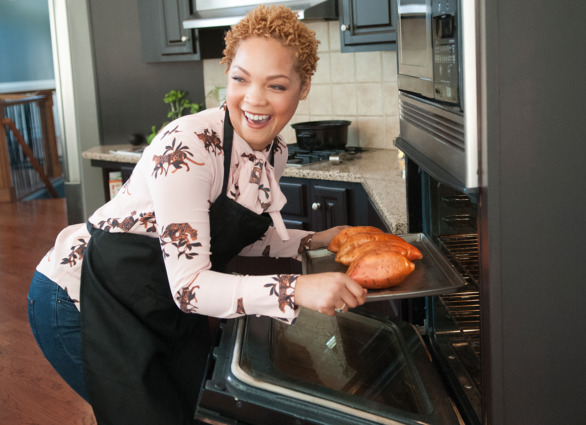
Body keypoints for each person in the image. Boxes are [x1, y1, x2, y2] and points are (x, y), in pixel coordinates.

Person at [27, 5, 367, 425]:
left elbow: (239, 237)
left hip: (155, 301)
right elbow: (190, 288)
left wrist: (315, 239)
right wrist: (296, 289)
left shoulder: (272, 152)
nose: (254, 99)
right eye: (240, 79)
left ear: (304, 86)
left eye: (276, 85)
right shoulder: (189, 146)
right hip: (80, 298)